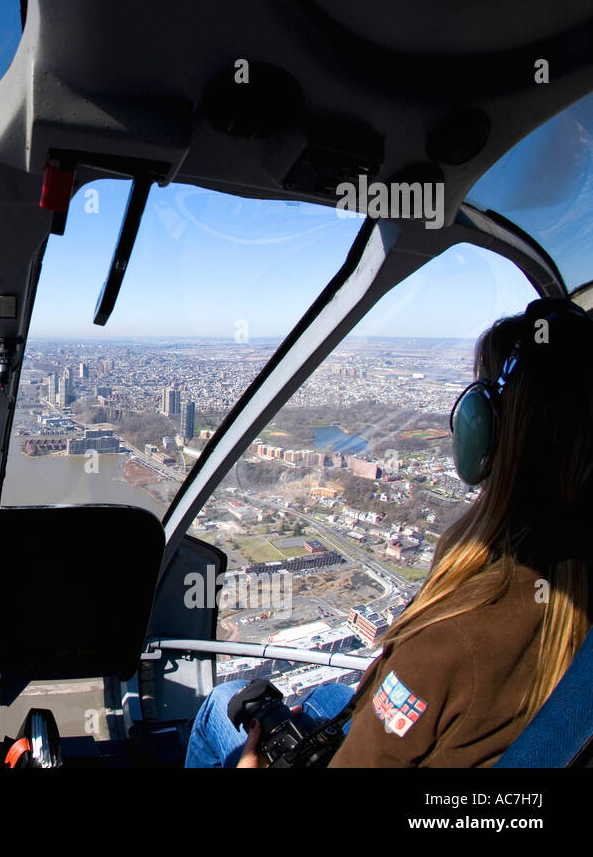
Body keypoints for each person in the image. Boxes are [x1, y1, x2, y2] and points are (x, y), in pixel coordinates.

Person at [187, 298, 593, 767]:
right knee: (325, 699)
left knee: (224, 703)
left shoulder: (454, 635)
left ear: (485, 432)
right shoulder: (565, 587)